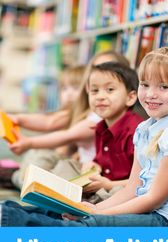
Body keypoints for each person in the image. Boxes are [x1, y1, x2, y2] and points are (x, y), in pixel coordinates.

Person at [0, 47, 168, 227]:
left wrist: (97, 214)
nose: (150, 94)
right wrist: (90, 209)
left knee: (91, 225)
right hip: (150, 208)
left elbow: (154, 198)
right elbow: (133, 188)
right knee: (62, 212)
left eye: (164, 87)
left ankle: (9, 221)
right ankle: (8, 213)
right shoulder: (146, 129)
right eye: (145, 85)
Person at [8, 51, 131, 188]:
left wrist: (29, 142)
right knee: (39, 155)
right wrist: (17, 118)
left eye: (109, 69)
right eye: (96, 69)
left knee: (48, 163)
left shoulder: (104, 117)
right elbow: (49, 121)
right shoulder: (88, 108)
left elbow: (68, 135)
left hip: (92, 172)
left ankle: (22, 180)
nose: (101, 74)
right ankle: (22, 178)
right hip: (83, 166)